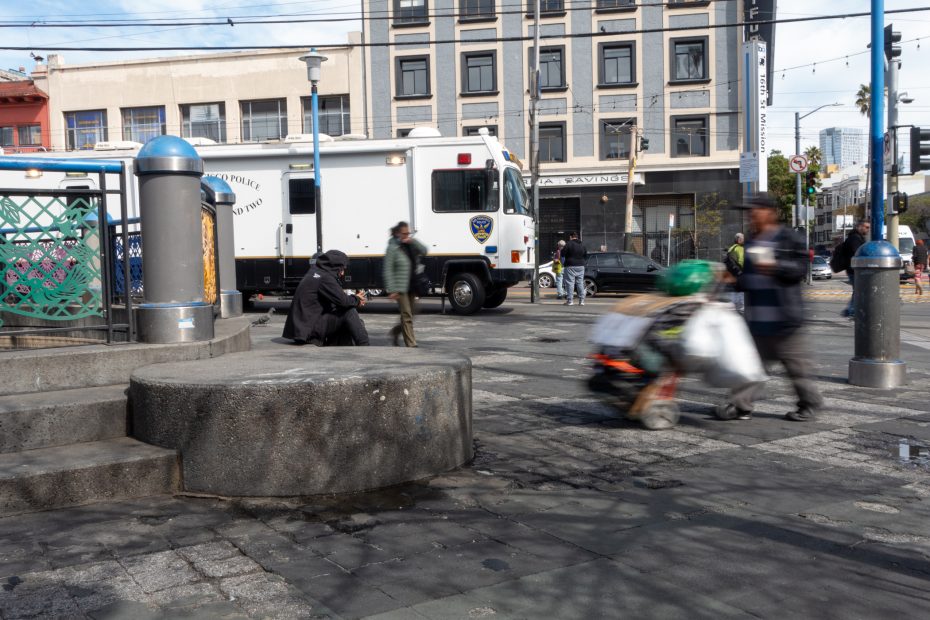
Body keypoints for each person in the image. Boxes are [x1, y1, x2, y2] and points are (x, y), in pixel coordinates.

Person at [716, 193, 823, 423]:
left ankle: (809, 405)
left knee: (797, 369)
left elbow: (800, 269)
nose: (751, 215)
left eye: (755, 210)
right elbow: (750, 279)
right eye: (749, 211)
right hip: (758, 319)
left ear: (770, 212)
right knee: (751, 366)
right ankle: (739, 405)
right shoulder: (752, 241)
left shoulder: (788, 238)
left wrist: (776, 266)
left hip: (785, 318)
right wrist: (734, 280)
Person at [282, 250, 369, 346]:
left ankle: (337, 347)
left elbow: (337, 300)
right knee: (349, 312)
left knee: (349, 320)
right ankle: (365, 347)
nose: (343, 273)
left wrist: (354, 299)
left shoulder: (316, 272)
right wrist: (357, 299)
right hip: (309, 333)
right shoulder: (325, 278)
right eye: (342, 269)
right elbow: (343, 301)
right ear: (336, 267)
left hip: (303, 329)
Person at [384, 221, 428, 347]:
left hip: (413, 284)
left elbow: (424, 251)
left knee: (413, 312)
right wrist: (391, 290)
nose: (406, 235)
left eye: (408, 233)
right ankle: (411, 344)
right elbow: (388, 269)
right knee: (406, 314)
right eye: (404, 233)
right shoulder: (392, 248)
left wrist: (413, 241)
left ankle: (395, 332)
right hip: (400, 287)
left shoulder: (411, 244)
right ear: (398, 233)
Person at [840, 219, 870, 318]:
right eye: (866, 227)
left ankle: (851, 309)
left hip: (854, 269)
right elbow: (857, 253)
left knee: (858, 290)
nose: (868, 230)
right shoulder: (854, 238)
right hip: (854, 269)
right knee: (858, 290)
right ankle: (851, 310)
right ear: (860, 227)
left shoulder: (856, 237)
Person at [561, 232, 588, 306]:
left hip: (570, 265)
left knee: (570, 283)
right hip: (581, 266)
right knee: (580, 282)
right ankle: (582, 301)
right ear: (577, 237)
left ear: (571, 237)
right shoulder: (582, 244)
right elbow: (586, 255)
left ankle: (570, 301)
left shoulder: (569, 244)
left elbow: (562, 253)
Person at [725, 232, 745, 313]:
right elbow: (732, 262)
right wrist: (739, 271)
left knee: (740, 290)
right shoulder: (734, 248)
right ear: (738, 239)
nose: (744, 239)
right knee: (736, 289)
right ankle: (735, 307)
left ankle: (740, 306)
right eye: (742, 238)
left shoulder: (742, 248)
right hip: (737, 272)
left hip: (740, 272)